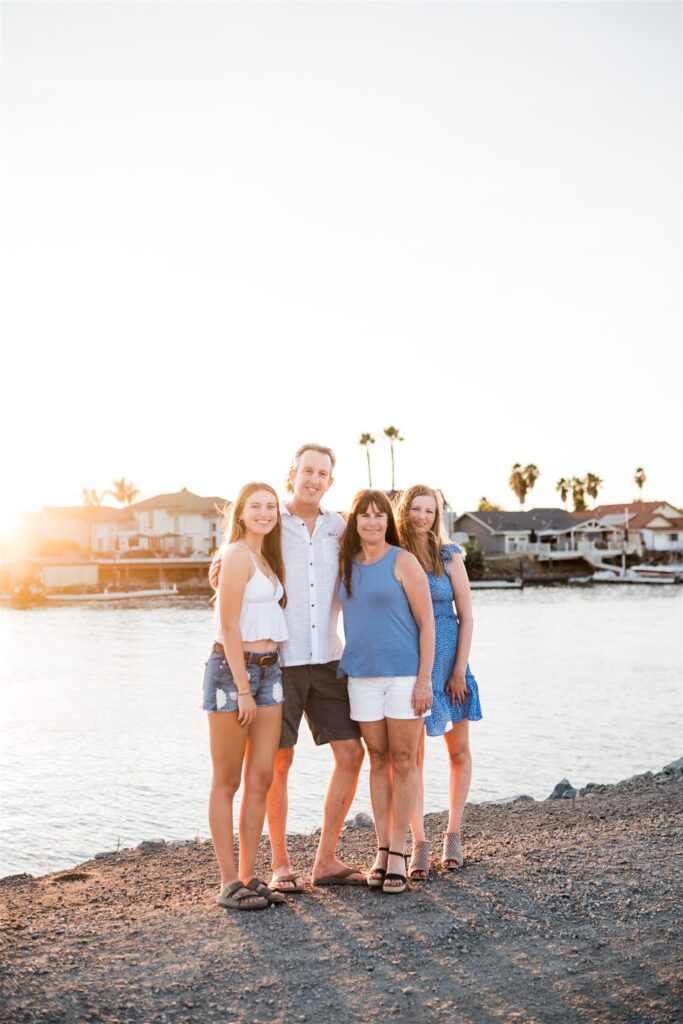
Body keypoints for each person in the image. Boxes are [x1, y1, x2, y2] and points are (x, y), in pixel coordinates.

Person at [210, 445, 366, 891]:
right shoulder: (272, 519)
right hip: (282, 661)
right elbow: (240, 553)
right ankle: (279, 865)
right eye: (307, 471)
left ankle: (326, 860)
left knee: (351, 754)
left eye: (323, 473)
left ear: (330, 482)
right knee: (277, 763)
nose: (314, 479)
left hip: (330, 658)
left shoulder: (340, 526)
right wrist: (216, 569)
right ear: (292, 474)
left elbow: (380, 546)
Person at [338, 489, 435, 894]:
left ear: (387, 522)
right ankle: (381, 848)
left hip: (403, 677)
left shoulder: (403, 560)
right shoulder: (346, 563)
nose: (373, 522)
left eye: (380, 516)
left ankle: (398, 850)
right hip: (361, 677)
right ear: (355, 521)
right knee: (377, 760)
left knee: (403, 760)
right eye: (365, 515)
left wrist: (424, 678)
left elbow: (427, 623)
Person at [203, 482, 290, 911]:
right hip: (231, 674)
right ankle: (226, 883)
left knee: (261, 777)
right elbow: (230, 624)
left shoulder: (265, 557)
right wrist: (241, 688)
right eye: (256, 506)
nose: (265, 512)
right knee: (228, 780)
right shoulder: (235, 553)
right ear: (240, 513)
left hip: (270, 671)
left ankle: (249, 876)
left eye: (271, 506)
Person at [394, 485, 482, 878]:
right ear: (404, 510)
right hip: (411, 662)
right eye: (416, 508)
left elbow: (466, 616)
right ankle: (419, 843)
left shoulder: (450, 556)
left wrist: (459, 669)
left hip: (450, 667)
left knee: (458, 752)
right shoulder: (393, 554)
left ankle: (453, 835)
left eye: (430, 510)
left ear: (438, 515)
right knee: (412, 758)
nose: (423, 516)